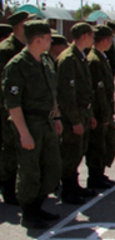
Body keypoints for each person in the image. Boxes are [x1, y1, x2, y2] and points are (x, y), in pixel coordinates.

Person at [2, 20, 63, 229]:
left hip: (46, 123)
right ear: (38, 39)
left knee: (51, 168)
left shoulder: (45, 61)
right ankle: (29, 213)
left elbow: (52, 92)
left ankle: (38, 206)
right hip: (29, 124)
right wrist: (23, 133)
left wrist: (56, 117)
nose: (50, 41)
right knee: (30, 171)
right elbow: (13, 104)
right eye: (47, 38)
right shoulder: (17, 65)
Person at [57, 22, 97, 204]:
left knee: (77, 152)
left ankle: (75, 187)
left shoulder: (80, 56)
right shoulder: (68, 59)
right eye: (91, 35)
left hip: (83, 112)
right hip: (73, 115)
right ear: (83, 36)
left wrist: (90, 115)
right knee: (70, 153)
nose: (93, 38)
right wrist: (74, 121)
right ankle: (68, 190)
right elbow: (66, 95)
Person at [0, 11, 31, 205]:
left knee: (21, 148)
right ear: (19, 26)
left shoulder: (25, 48)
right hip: (7, 108)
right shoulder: (6, 49)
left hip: (24, 105)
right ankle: (8, 189)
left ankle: (19, 186)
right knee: (9, 149)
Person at [86, 25, 115, 189]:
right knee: (97, 145)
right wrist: (103, 114)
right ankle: (95, 177)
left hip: (104, 110)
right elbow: (95, 92)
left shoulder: (100, 57)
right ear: (105, 40)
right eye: (111, 39)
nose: (112, 42)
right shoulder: (94, 60)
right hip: (99, 111)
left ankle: (100, 174)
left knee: (105, 143)